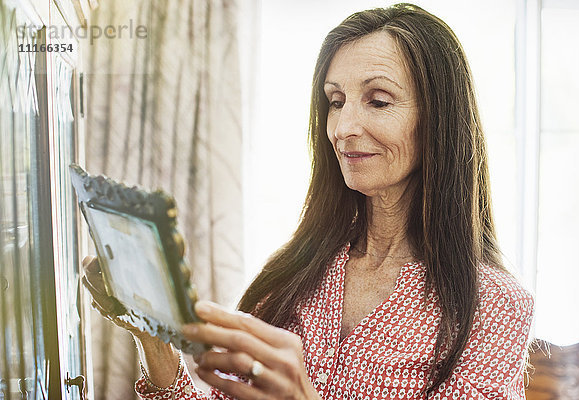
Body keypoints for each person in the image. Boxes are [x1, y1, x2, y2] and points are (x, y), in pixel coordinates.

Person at [83, 3, 534, 399]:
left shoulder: (494, 308)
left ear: (440, 119)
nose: (342, 128)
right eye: (335, 102)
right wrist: (155, 342)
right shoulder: (295, 272)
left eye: (377, 101)